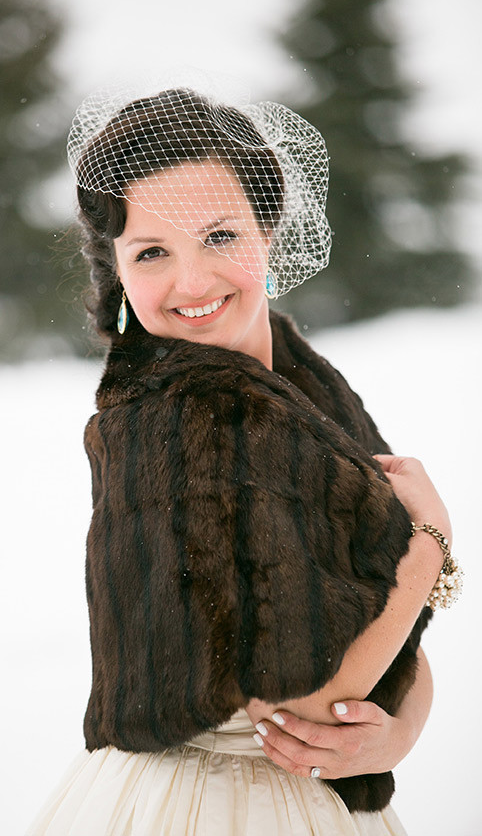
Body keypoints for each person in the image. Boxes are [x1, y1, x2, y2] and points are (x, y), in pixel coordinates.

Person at [26, 80, 462, 835]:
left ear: (269, 231)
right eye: (152, 251)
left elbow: (388, 641)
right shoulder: (188, 414)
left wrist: (400, 730)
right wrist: (431, 547)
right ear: (117, 269)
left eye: (219, 236)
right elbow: (303, 700)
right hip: (210, 805)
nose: (192, 282)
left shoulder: (292, 379)